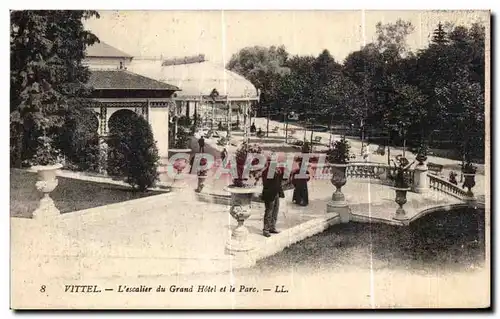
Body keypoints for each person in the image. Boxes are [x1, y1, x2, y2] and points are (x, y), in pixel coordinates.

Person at [261, 157, 285, 237]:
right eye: (271, 161)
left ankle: (272, 227)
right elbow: (267, 183)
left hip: (276, 193)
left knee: (275, 211)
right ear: (268, 163)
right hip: (269, 194)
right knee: (269, 212)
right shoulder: (266, 172)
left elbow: (280, 180)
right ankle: (266, 230)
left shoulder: (275, 171)